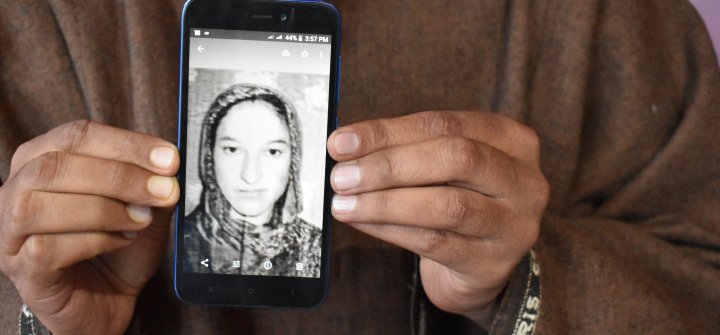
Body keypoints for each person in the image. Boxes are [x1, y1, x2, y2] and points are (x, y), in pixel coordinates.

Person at [0, 0, 718, 334]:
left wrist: (522, 283)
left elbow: (702, 285)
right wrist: (45, 320)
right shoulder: (30, 23)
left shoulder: (605, 20)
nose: (252, 174)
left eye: (277, 151)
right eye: (232, 150)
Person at [183, 84, 321, 276]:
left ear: (293, 161)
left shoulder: (315, 247)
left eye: (272, 152)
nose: (250, 175)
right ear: (209, 156)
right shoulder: (178, 241)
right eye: (232, 150)